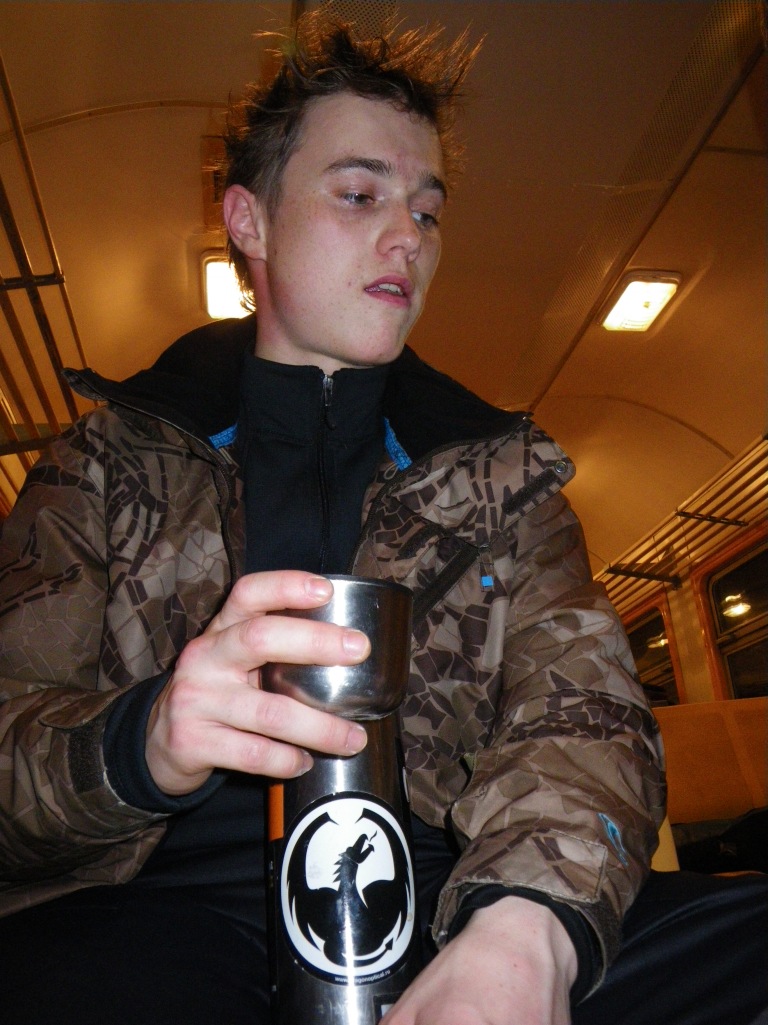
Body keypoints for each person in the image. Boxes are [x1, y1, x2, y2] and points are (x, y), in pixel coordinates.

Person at [0, 14, 766, 1025]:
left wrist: (527, 926)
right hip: (152, 909)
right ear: (249, 220)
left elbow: (587, 715)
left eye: (428, 209)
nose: (409, 235)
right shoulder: (103, 464)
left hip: (458, 897)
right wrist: (139, 741)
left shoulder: (509, 480)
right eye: (360, 194)